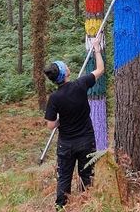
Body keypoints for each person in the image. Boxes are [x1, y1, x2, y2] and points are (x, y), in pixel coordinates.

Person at [43, 35, 105, 209]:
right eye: (65, 66)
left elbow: (50, 125)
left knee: (64, 178)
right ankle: (87, 205)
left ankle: (61, 207)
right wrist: (97, 50)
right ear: (65, 73)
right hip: (86, 141)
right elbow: (100, 69)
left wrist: (59, 122)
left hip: (66, 145)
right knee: (87, 176)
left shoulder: (54, 98)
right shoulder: (81, 84)